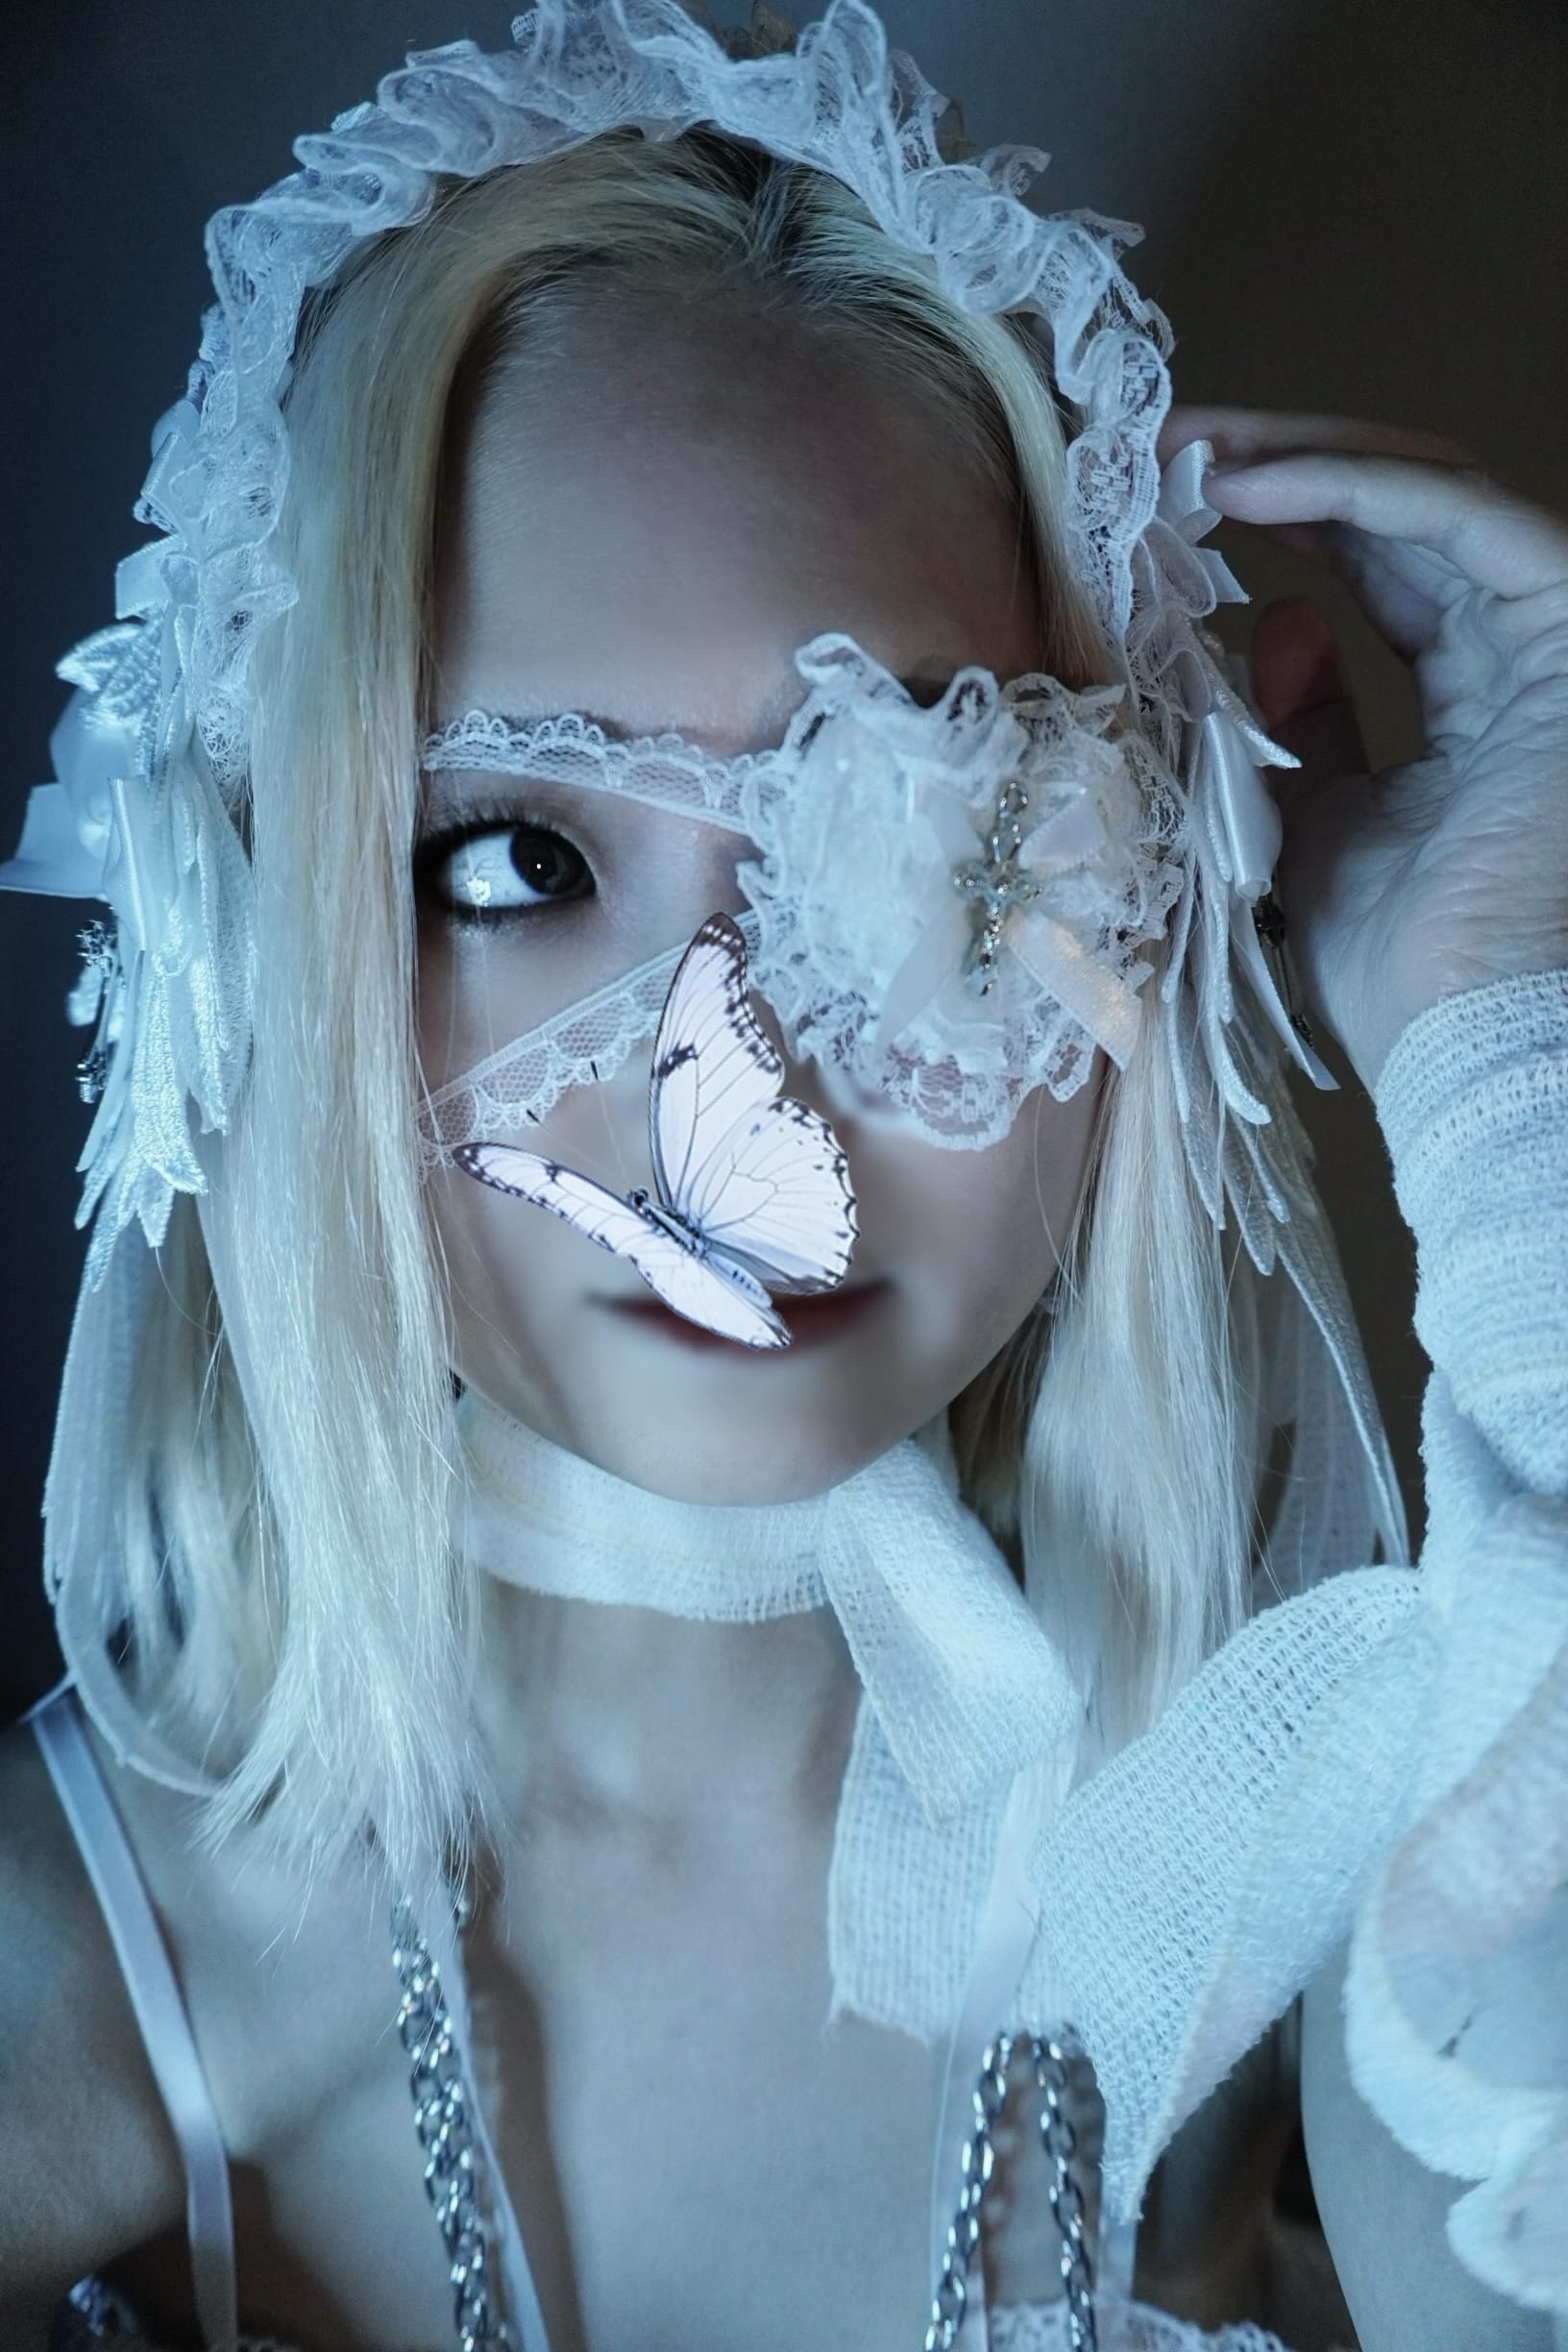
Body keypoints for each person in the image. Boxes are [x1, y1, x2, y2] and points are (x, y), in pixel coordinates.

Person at [1, 4, 1563, 2348]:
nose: (735, 1082)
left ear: (1153, 889)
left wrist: (1508, 1050)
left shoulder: (1327, 1895)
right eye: (519, 859)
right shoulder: (85, 1979)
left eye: (930, 845)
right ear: (259, 917)